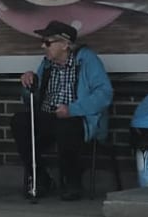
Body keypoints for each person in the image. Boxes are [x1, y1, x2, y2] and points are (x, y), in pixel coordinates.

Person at [12, 20, 113, 201]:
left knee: (66, 126)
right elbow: (32, 98)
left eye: (48, 42)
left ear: (65, 45)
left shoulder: (87, 60)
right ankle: (40, 177)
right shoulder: (47, 64)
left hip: (77, 118)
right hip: (48, 115)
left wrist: (73, 109)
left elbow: (105, 94)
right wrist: (29, 82)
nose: (43, 46)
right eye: (43, 42)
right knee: (19, 121)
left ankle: (72, 181)